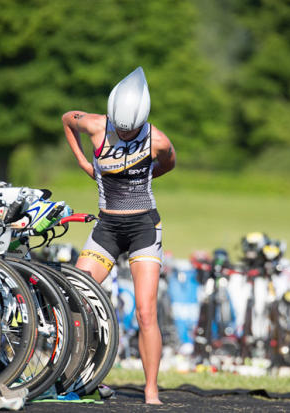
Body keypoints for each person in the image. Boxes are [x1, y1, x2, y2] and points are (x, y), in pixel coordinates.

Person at [61, 66, 176, 404]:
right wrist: (83, 162)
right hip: (107, 227)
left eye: (131, 130)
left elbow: (169, 162)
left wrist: (146, 176)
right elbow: (67, 119)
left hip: (143, 228)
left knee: (146, 312)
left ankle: (151, 388)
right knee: (75, 296)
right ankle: (78, 373)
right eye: (121, 129)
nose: (125, 134)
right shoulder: (95, 125)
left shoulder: (158, 140)